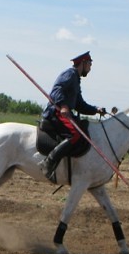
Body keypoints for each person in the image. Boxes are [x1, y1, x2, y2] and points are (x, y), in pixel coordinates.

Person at [38, 51, 106, 183]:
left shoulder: (76, 79)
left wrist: (96, 110)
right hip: (57, 112)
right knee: (75, 134)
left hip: (65, 112)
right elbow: (57, 90)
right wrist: (63, 105)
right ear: (84, 63)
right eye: (90, 64)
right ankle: (48, 163)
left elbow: (80, 104)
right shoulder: (69, 74)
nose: (90, 68)